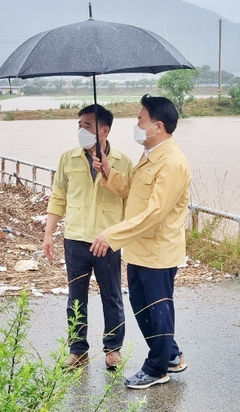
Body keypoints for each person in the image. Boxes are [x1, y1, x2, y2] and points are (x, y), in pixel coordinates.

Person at [90, 94, 190, 389]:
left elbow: (155, 213)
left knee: (157, 310)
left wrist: (111, 236)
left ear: (157, 126)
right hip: (139, 250)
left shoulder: (172, 163)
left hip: (158, 252)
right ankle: (170, 354)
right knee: (142, 307)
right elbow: (133, 192)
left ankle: (157, 368)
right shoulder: (149, 157)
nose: (136, 124)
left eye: (140, 120)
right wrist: (108, 171)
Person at [43, 104, 133, 370]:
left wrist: (106, 170)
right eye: (79, 125)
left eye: (88, 125)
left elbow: (129, 198)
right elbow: (58, 195)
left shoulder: (123, 161)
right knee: (76, 297)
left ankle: (113, 349)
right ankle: (77, 349)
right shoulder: (67, 158)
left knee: (112, 295)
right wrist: (49, 233)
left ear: (103, 130)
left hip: (107, 240)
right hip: (75, 238)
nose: (81, 129)